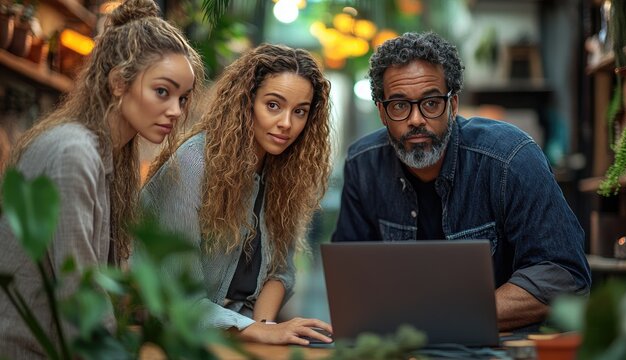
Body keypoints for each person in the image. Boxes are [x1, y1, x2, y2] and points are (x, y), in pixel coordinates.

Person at [332, 31, 591, 331]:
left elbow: (564, 275)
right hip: (403, 346)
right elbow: (349, 279)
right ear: (382, 112)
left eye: (431, 103)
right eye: (400, 105)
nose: (416, 119)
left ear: (453, 105)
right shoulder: (363, 165)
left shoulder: (511, 159)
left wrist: (446, 316)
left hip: (504, 346)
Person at [0, 0, 204, 357]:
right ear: (118, 83)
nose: (175, 111)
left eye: (183, 98)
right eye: (162, 91)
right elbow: (78, 299)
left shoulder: (107, 152)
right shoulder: (74, 153)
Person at [141, 43, 334, 345]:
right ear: (246, 102)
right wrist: (259, 331)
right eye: (273, 105)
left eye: (300, 112)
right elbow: (177, 295)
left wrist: (266, 326)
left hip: (241, 335)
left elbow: (281, 272)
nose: (286, 123)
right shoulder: (193, 164)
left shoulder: (285, 175)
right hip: (176, 336)